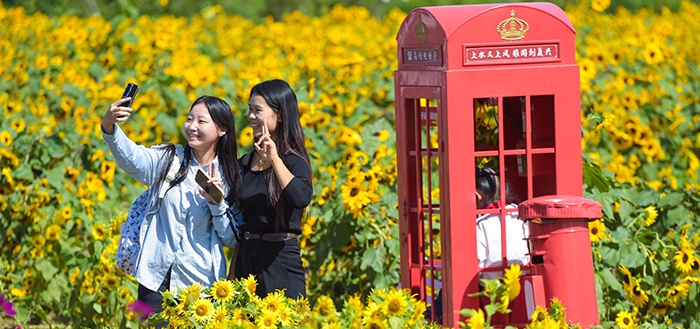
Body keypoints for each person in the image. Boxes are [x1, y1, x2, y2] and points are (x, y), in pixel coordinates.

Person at [101, 95, 242, 321]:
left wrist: (216, 203)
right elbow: (133, 157)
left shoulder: (230, 175)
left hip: (200, 284)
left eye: (201, 122)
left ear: (222, 130)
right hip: (155, 277)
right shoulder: (169, 158)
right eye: (189, 119)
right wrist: (109, 126)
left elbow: (230, 237)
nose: (192, 127)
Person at [227, 79, 313, 299]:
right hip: (247, 260)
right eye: (250, 110)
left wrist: (274, 159)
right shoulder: (245, 162)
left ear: (281, 114)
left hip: (280, 261)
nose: (251, 117)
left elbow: (301, 198)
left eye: (258, 110)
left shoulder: (293, 161)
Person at [432, 167, 529, 323]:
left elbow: (473, 269)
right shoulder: (521, 215)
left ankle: (435, 317)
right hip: (523, 295)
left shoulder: (480, 225)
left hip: (490, 300)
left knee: (450, 285)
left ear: (477, 196)